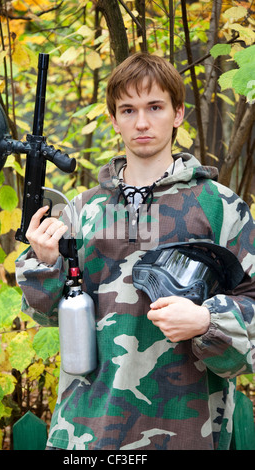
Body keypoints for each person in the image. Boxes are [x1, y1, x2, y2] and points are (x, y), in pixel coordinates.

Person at [15, 52, 255, 450]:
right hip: (87, 429)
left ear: (178, 113)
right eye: (128, 110)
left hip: (188, 429)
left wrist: (205, 319)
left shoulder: (220, 207)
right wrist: (45, 262)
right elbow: (44, 314)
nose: (141, 122)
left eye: (155, 107)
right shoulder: (83, 210)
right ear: (113, 120)